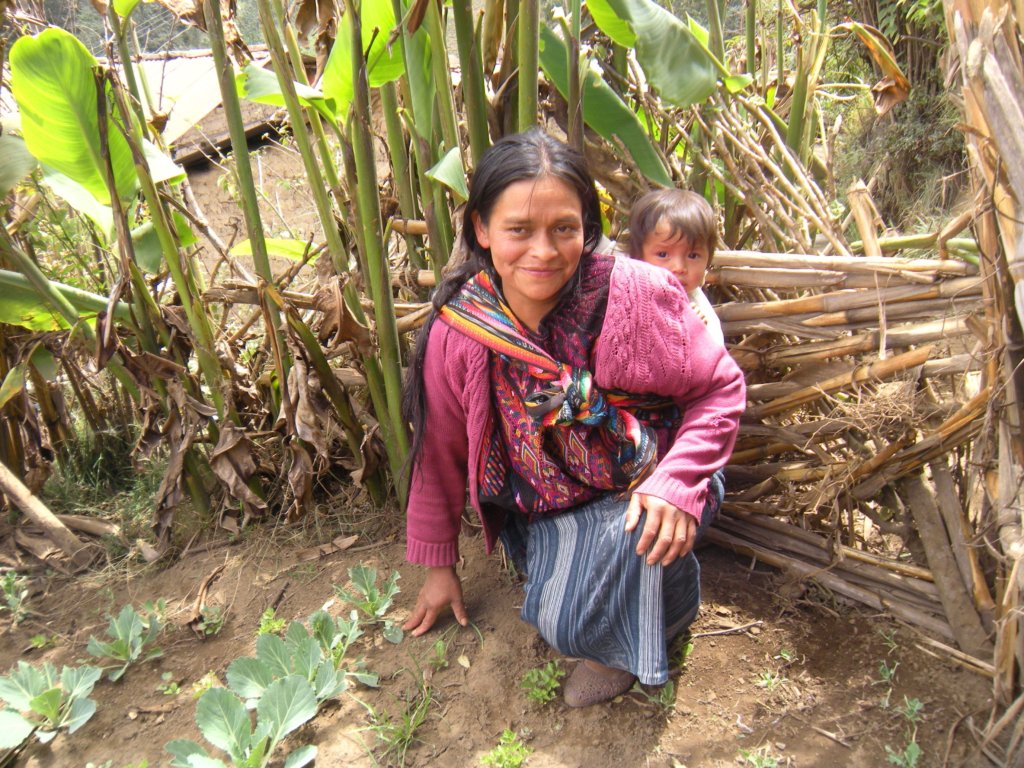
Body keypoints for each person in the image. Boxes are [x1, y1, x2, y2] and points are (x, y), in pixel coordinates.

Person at [400, 129, 745, 708]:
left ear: (587, 227)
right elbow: (437, 450)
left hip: (654, 478)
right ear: (482, 230)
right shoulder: (460, 333)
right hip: (544, 504)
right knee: (565, 594)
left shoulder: (636, 295)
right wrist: (439, 566)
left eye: (564, 228)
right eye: (518, 230)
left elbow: (720, 389)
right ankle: (638, 579)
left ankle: (665, 610)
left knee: (578, 610)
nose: (543, 250)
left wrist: (679, 482)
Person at [627, 188, 724, 345]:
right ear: (638, 257)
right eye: (663, 255)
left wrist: (696, 331)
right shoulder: (627, 298)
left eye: (693, 256)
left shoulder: (700, 310)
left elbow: (711, 361)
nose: (679, 267)